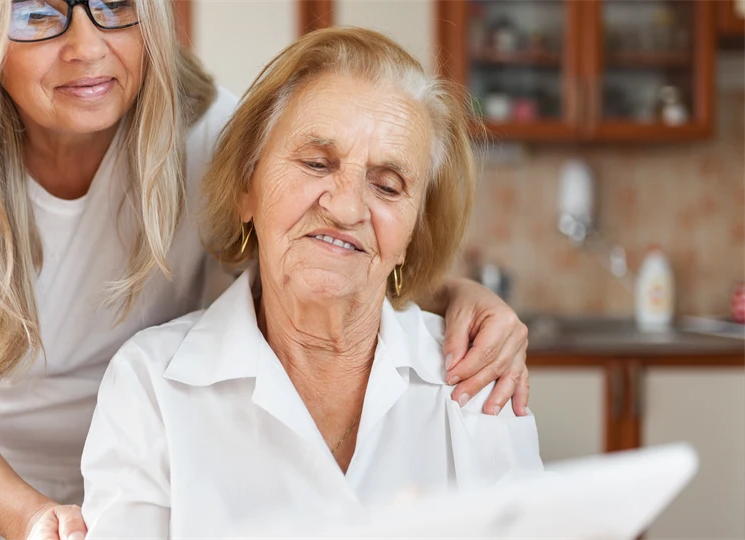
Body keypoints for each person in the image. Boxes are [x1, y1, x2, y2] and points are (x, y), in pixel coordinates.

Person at [0, 2, 531, 539]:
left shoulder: (204, 136)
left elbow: (326, 236)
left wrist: (463, 292)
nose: (87, 47)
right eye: (36, 14)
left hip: (163, 461)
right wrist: (34, 519)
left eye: (114, 5)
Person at [80, 27, 543, 538]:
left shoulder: (478, 381)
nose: (345, 208)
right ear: (245, 189)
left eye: (388, 186)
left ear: (412, 233)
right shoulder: (151, 386)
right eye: (316, 163)